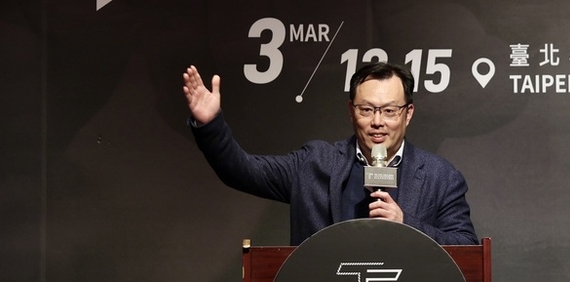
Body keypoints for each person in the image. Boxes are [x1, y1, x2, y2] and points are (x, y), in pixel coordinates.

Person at [183, 61, 478, 246]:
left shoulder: (440, 176)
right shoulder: (314, 163)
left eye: (389, 111)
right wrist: (210, 125)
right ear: (351, 111)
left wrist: (406, 225)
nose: (377, 121)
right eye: (367, 110)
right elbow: (242, 170)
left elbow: (466, 248)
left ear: (408, 113)